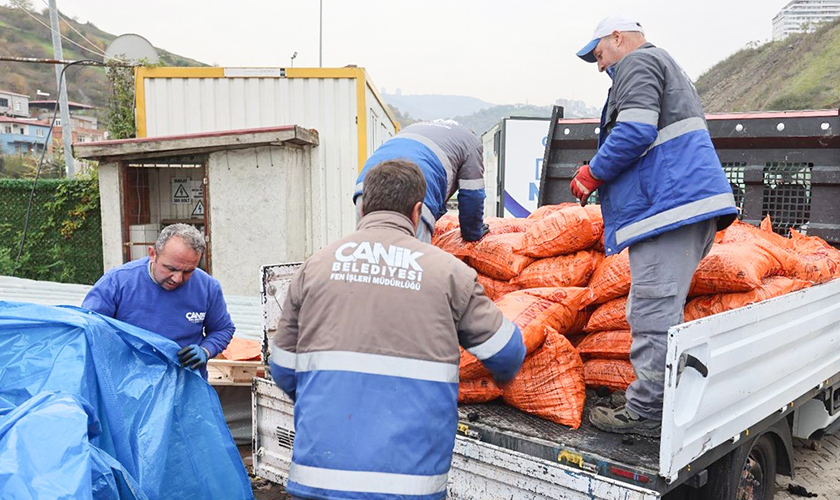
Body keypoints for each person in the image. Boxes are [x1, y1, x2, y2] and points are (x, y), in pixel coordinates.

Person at [272, 159, 525, 500]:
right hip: (409, 484)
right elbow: (506, 354)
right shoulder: (448, 273)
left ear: (362, 207)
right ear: (418, 211)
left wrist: (328, 398)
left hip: (320, 476)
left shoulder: (314, 266)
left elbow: (283, 366)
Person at [571, 15, 738, 436]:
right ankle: (652, 396)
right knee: (651, 306)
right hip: (678, 206)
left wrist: (592, 173)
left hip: (671, 209)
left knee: (651, 310)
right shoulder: (661, 65)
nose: (599, 65)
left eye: (599, 54)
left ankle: (647, 412)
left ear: (617, 37)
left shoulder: (638, 64)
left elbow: (634, 131)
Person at [82, 223, 235, 378]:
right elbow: (88, 329)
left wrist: (206, 350)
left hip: (185, 388)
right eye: (171, 268)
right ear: (152, 254)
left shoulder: (207, 287)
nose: (178, 278)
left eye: (188, 271)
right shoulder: (117, 283)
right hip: (127, 385)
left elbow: (222, 329)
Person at [354, 119, 489, 243]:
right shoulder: (472, 142)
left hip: (366, 185)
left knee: (365, 254)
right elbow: (473, 195)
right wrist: (472, 233)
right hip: (413, 189)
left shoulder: (415, 127)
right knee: (414, 262)